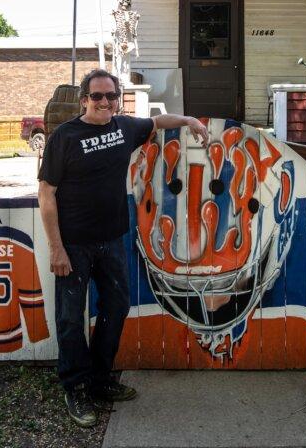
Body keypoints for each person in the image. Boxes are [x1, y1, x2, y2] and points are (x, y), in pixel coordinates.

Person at [37, 68, 208, 428]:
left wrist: (189, 119)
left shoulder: (124, 128)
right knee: (70, 318)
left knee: (116, 308)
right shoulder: (65, 137)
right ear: (84, 99)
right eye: (97, 96)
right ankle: (75, 387)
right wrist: (56, 248)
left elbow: (158, 122)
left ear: (118, 99)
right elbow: (46, 194)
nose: (104, 102)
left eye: (111, 96)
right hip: (73, 244)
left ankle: (100, 380)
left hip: (113, 239)